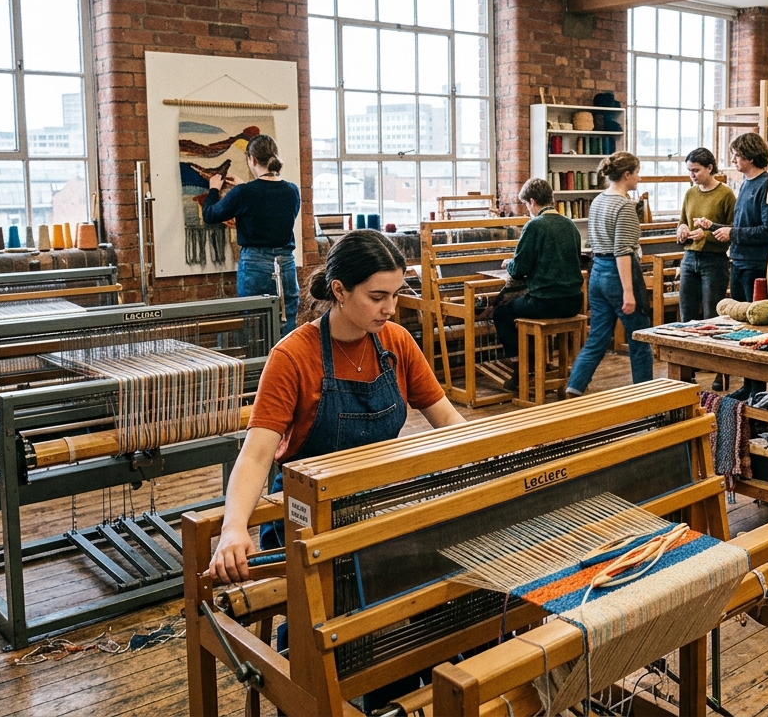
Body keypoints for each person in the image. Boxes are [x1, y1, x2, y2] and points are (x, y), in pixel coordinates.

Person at [208, 229, 465, 585]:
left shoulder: (397, 342)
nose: (390, 309)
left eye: (394, 295)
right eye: (377, 297)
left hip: (380, 498)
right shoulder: (292, 356)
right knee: (327, 597)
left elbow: (448, 419)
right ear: (340, 291)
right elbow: (255, 456)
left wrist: (489, 460)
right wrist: (234, 527)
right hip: (308, 514)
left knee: (444, 566)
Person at [566, 152, 653, 396]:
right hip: (618, 274)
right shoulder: (624, 206)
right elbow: (623, 252)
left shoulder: (598, 200)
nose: (639, 177)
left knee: (598, 337)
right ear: (626, 175)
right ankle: (646, 396)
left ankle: (575, 386)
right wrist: (628, 292)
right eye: (637, 172)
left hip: (597, 273)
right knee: (640, 337)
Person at [203, 134, 300, 336]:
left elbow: (210, 215)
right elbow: (270, 209)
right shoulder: (292, 190)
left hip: (256, 264)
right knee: (287, 323)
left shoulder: (244, 193)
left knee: (255, 328)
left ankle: (261, 368)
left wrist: (213, 190)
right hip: (286, 264)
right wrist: (242, 188)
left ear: (252, 159)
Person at [493, 178, 585, 393]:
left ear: (532, 201)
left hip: (546, 303)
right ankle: (538, 363)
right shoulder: (569, 224)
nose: (528, 210)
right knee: (520, 306)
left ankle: (522, 371)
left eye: (526, 205)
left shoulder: (535, 225)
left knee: (502, 313)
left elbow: (519, 269)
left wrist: (509, 263)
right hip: (573, 301)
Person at [711, 132, 768, 400]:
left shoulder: (765, 185)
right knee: (740, 327)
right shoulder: (745, 184)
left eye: (736, 154)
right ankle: (748, 385)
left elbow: (766, 231)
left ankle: (757, 389)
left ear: (749, 156)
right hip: (738, 261)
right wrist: (715, 228)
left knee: (755, 328)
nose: (733, 159)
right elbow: (741, 227)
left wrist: (732, 233)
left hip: (755, 266)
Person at [675, 147, 735, 322]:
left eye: (696, 170)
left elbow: (732, 229)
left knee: (712, 314)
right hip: (689, 258)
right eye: (689, 171)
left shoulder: (726, 194)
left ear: (709, 168)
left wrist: (706, 235)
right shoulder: (690, 193)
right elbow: (682, 221)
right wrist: (681, 229)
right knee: (687, 312)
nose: (692, 175)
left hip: (714, 260)